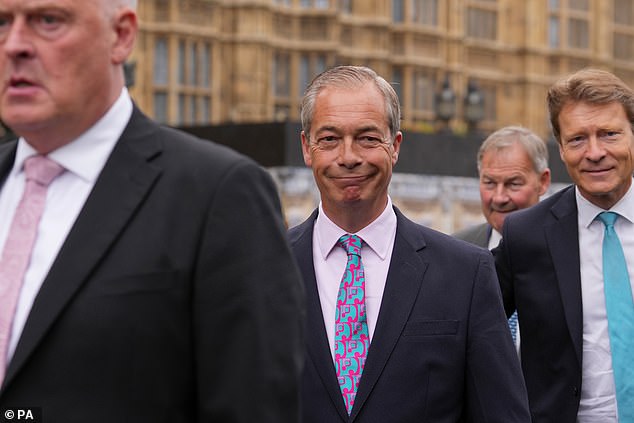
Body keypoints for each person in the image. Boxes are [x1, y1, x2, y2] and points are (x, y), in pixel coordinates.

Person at [0, 1, 304, 421]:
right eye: (1, 22)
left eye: (48, 21)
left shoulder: (219, 195)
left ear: (121, 36)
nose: (14, 44)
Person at [289, 65, 530, 422]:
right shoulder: (263, 268)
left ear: (395, 146)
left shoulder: (466, 274)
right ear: (307, 148)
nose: (349, 155)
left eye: (368, 138)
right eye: (329, 139)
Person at [495, 68, 634, 422]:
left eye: (609, 134)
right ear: (560, 149)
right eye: (577, 139)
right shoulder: (526, 236)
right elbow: (465, 325)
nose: (595, 152)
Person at [454, 125, 551, 350]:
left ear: (543, 182)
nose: (499, 197)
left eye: (513, 184)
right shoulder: (455, 251)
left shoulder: (566, 250)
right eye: (489, 183)